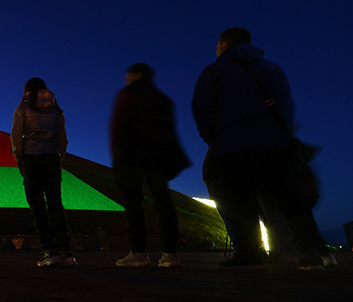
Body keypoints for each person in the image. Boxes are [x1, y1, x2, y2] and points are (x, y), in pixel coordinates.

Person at [192, 27, 334, 269]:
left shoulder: (214, 71)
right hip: (274, 145)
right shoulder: (273, 69)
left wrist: (213, 139)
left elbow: (201, 109)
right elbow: (287, 107)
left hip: (232, 146)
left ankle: (248, 253)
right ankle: (311, 251)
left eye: (217, 45)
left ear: (225, 44)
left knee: (239, 200)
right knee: (288, 199)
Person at [110, 63, 190, 268]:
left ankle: (138, 252)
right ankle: (170, 254)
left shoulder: (126, 94)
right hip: (157, 159)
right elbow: (170, 132)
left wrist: (117, 155)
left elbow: (118, 126)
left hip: (130, 158)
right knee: (164, 204)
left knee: (133, 205)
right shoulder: (163, 100)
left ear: (135, 75)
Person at [10, 77, 75, 267]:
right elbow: (63, 139)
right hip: (52, 159)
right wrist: (58, 157)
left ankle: (50, 252)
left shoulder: (22, 109)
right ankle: (67, 253)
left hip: (32, 160)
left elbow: (16, 137)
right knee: (56, 204)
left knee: (38, 207)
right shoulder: (57, 112)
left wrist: (20, 159)